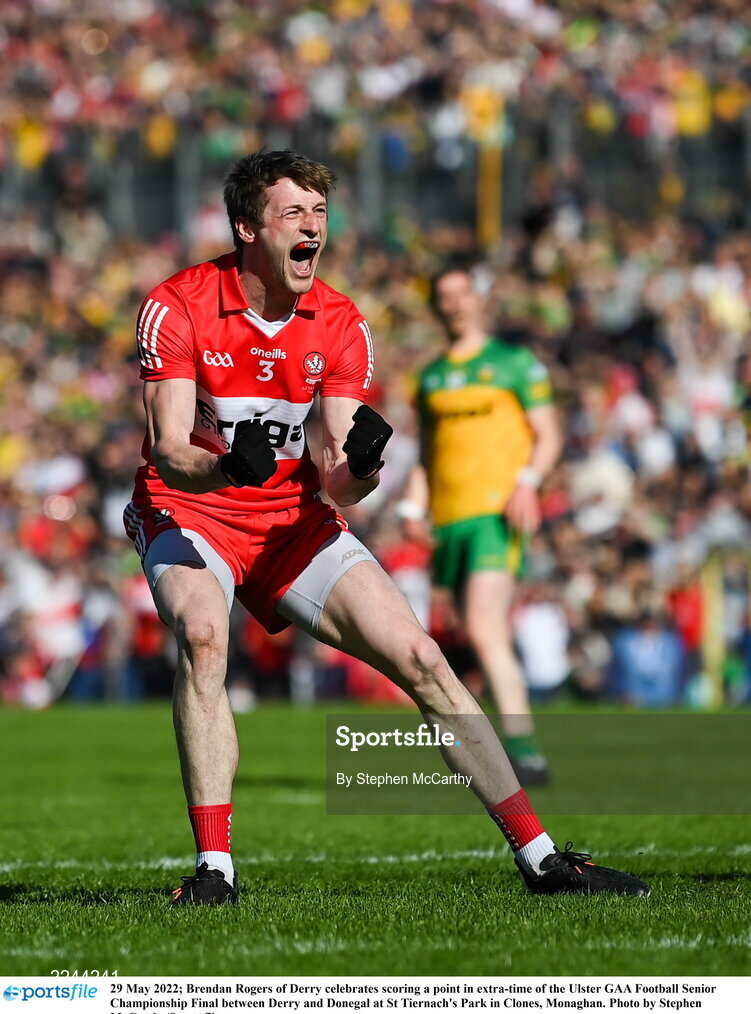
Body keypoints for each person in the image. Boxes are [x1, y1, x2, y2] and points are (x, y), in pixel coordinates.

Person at [124, 150, 648, 904]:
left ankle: (542, 860)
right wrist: (227, 469)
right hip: (188, 507)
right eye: (293, 214)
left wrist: (364, 464)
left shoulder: (338, 321)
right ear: (246, 228)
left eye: (320, 214)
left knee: (423, 658)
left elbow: (340, 482)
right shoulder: (177, 305)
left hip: (291, 520)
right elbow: (172, 454)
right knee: (204, 637)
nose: (313, 228)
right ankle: (215, 871)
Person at [400, 266, 562, 784]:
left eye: (461, 293)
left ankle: (524, 750)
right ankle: (484, 745)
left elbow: (548, 434)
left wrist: (528, 481)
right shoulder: (429, 377)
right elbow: (428, 455)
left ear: (479, 298)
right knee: (462, 634)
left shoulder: (514, 364)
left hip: (496, 512)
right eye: (443, 296)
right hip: (446, 521)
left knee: (484, 624)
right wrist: (412, 506)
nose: (453, 304)